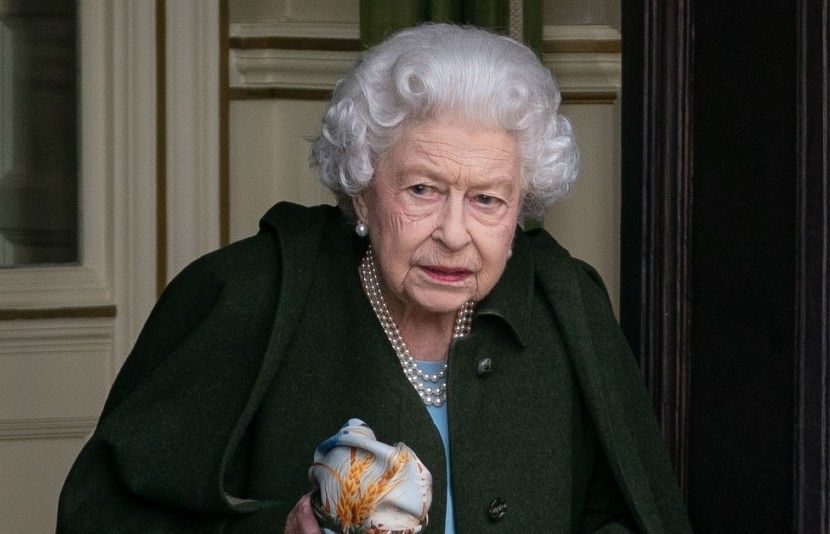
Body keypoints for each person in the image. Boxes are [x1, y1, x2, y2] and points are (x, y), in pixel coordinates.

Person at [58, 23, 692, 533]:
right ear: (361, 190)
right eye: (421, 189)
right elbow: (101, 517)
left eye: (487, 200)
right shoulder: (248, 294)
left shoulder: (566, 305)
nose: (453, 233)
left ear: (520, 204)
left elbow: (624, 515)